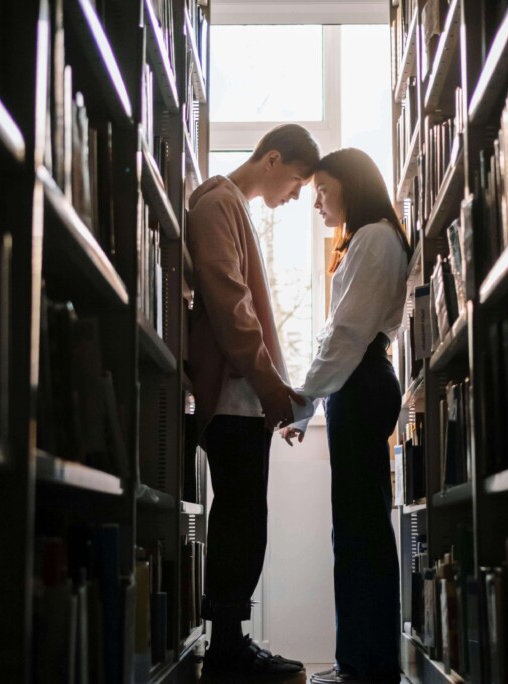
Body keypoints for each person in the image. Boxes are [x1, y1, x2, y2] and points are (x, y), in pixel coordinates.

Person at [186, 123, 321, 679]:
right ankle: (226, 651)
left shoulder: (230, 207)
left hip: (244, 398)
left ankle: (231, 643)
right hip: (234, 399)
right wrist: (270, 388)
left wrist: (272, 391)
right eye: (296, 181)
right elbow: (231, 307)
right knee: (240, 520)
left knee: (244, 519)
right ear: (272, 159)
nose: (295, 196)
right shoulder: (218, 205)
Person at [282, 148, 410, 684]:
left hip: (359, 385)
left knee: (358, 531)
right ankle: (363, 662)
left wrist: (302, 399)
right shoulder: (372, 237)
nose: (317, 202)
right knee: (360, 527)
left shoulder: (374, 238)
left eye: (322, 190)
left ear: (350, 186)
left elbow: (346, 335)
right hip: (358, 383)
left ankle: (362, 666)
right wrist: (310, 400)